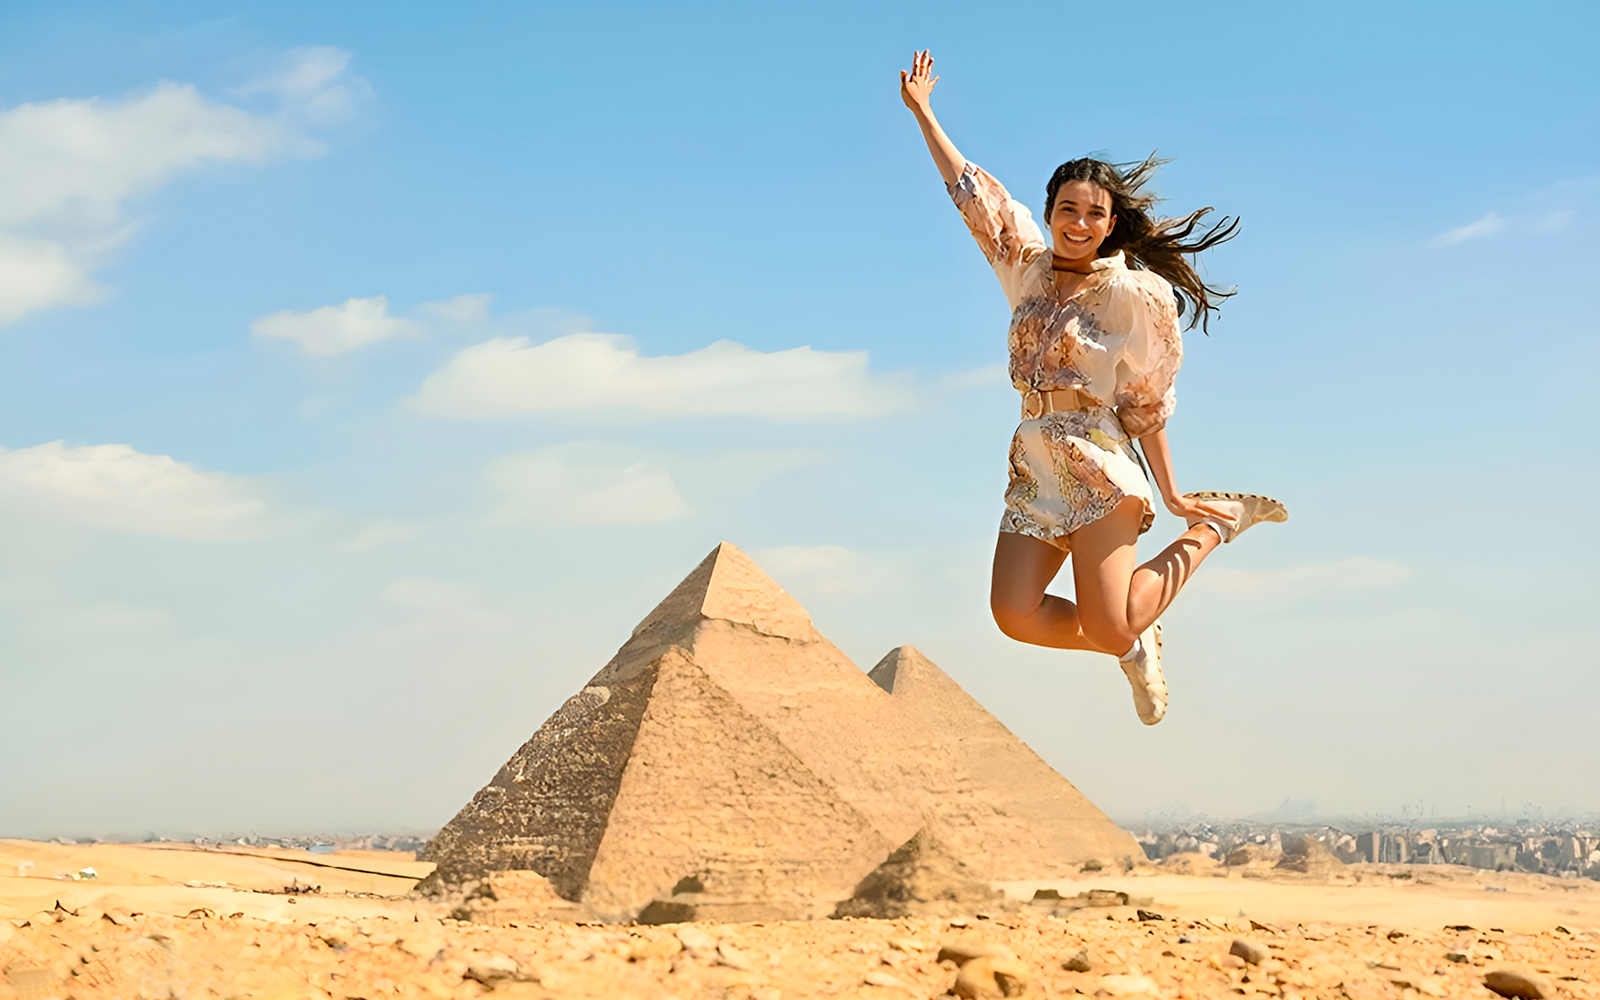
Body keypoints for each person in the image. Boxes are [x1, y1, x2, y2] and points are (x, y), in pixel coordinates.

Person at [900, 50, 1286, 725]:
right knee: (1014, 613)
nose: (1078, 223)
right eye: (1067, 208)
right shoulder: (1025, 268)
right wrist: (924, 114)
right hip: (1034, 460)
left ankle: (1216, 526)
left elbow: (1146, 403)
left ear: (1111, 224)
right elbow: (975, 198)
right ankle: (1134, 647)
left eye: (1094, 213)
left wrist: (1174, 495)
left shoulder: (1134, 295)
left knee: (1108, 621)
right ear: (1050, 211)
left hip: (1098, 460)